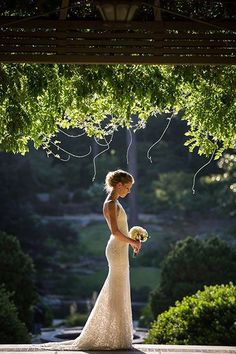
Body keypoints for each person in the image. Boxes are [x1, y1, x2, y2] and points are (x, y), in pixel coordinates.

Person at [22, 169, 141, 351]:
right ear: (119, 185)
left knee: (119, 288)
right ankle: (110, 334)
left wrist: (132, 241)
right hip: (116, 249)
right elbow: (115, 232)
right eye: (128, 187)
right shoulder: (110, 203)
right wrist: (132, 240)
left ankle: (118, 335)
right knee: (115, 288)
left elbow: (121, 231)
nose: (129, 191)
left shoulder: (115, 202)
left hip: (121, 248)